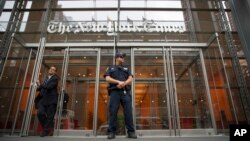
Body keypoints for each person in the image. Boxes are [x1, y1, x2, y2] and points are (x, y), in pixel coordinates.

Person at [104, 52, 137, 139]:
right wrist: (119, 82)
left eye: (123, 57)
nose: (123, 58)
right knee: (113, 112)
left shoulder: (126, 68)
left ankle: (131, 132)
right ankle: (111, 132)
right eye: (121, 57)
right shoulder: (110, 68)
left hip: (125, 92)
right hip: (115, 92)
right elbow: (107, 78)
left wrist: (124, 84)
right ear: (116, 58)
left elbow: (130, 79)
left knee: (128, 112)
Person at [36, 66, 59, 137]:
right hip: (43, 99)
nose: (51, 70)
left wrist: (40, 84)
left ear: (55, 72)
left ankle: (45, 131)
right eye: (51, 69)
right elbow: (42, 88)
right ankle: (49, 128)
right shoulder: (46, 78)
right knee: (40, 113)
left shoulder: (55, 78)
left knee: (50, 116)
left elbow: (49, 87)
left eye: (53, 69)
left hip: (51, 100)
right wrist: (39, 85)